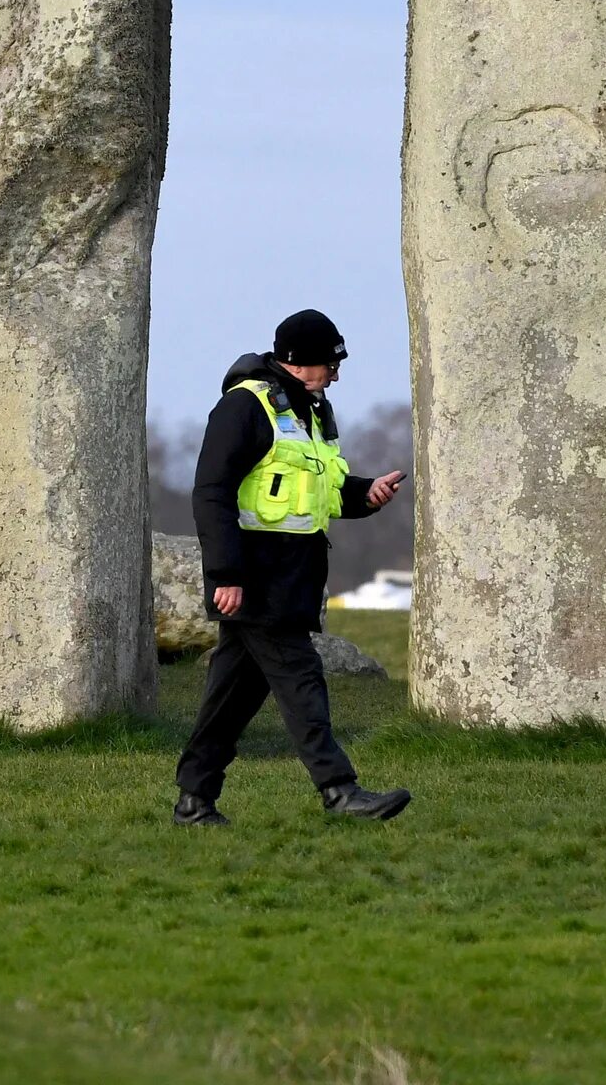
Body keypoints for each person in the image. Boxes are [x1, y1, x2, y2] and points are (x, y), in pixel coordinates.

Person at [173, 309, 412, 825]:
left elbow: (320, 491)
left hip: (295, 579)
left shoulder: (313, 413)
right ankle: (339, 790)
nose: (336, 374)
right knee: (303, 681)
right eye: (330, 363)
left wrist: (364, 493)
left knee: (230, 701)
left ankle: (194, 801)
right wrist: (225, 577)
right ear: (298, 362)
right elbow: (210, 494)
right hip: (256, 580)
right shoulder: (243, 408)